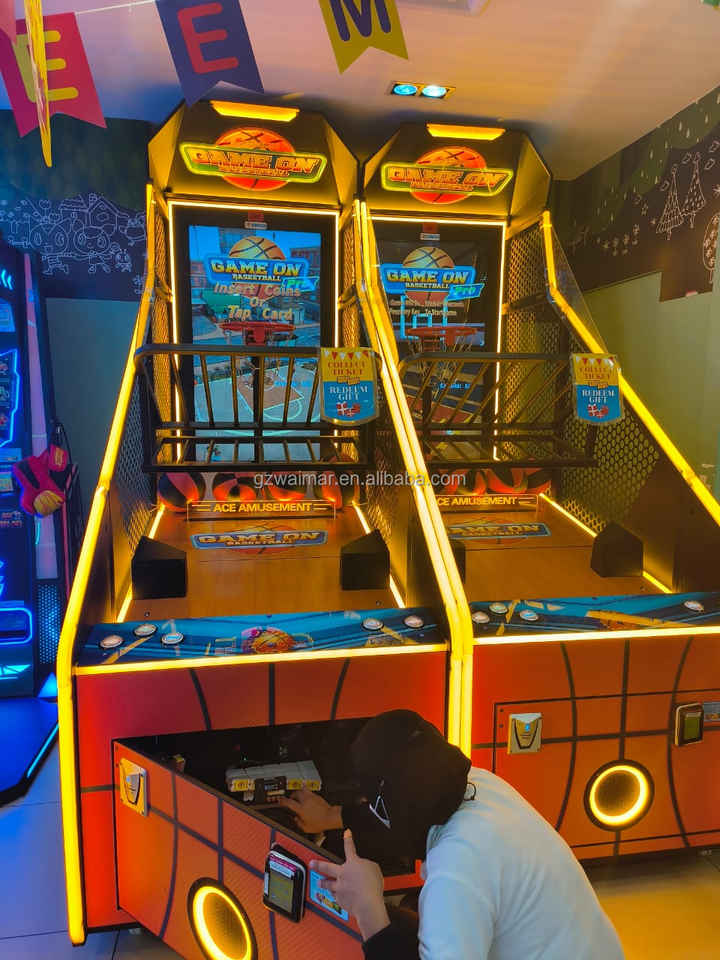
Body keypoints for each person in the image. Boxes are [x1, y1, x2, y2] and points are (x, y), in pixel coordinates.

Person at [277, 710, 624, 960]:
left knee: (391, 925)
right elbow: (404, 814)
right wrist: (331, 816)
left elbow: (405, 825)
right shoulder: (481, 783)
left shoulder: (456, 875)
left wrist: (369, 911)